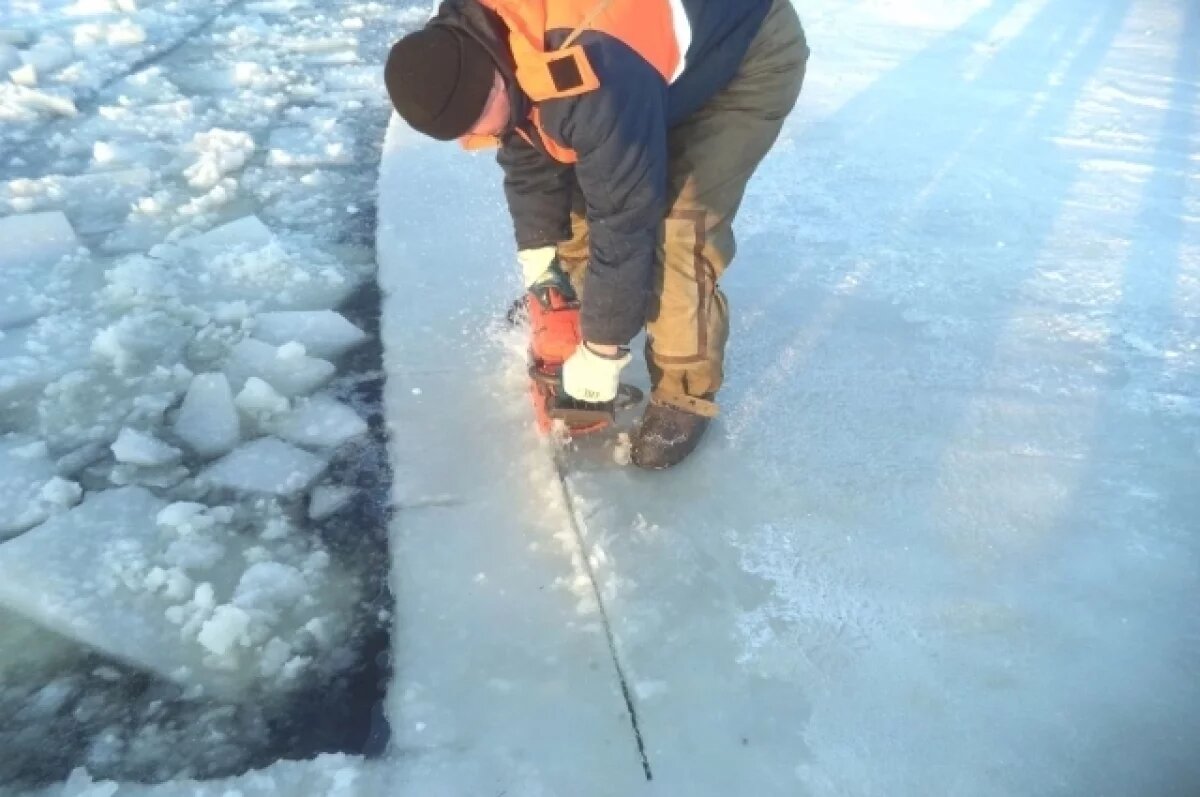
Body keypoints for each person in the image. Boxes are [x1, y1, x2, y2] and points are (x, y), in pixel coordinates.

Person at [384, 0, 808, 469]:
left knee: (677, 226)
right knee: (579, 182)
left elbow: (626, 217)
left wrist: (602, 352)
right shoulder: (481, 34)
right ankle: (584, 301)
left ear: (492, 74)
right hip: (633, 73)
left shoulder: (588, 67)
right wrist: (541, 262)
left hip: (742, 58)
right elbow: (528, 144)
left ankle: (682, 396)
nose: (484, 133)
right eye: (468, 131)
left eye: (483, 113)